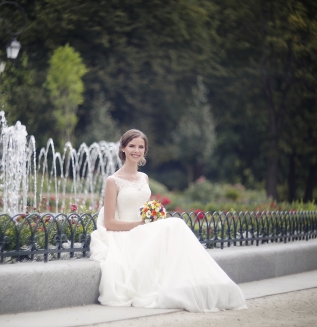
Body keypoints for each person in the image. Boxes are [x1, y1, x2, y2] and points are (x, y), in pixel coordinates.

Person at [90, 129, 247, 312]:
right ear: (123, 148)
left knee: (175, 225)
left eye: (141, 147)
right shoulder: (113, 180)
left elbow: (144, 210)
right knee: (176, 224)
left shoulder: (144, 178)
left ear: (145, 151)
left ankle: (197, 282)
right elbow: (109, 223)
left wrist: (152, 217)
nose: (136, 150)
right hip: (124, 234)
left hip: (143, 230)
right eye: (132, 146)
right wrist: (138, 225)